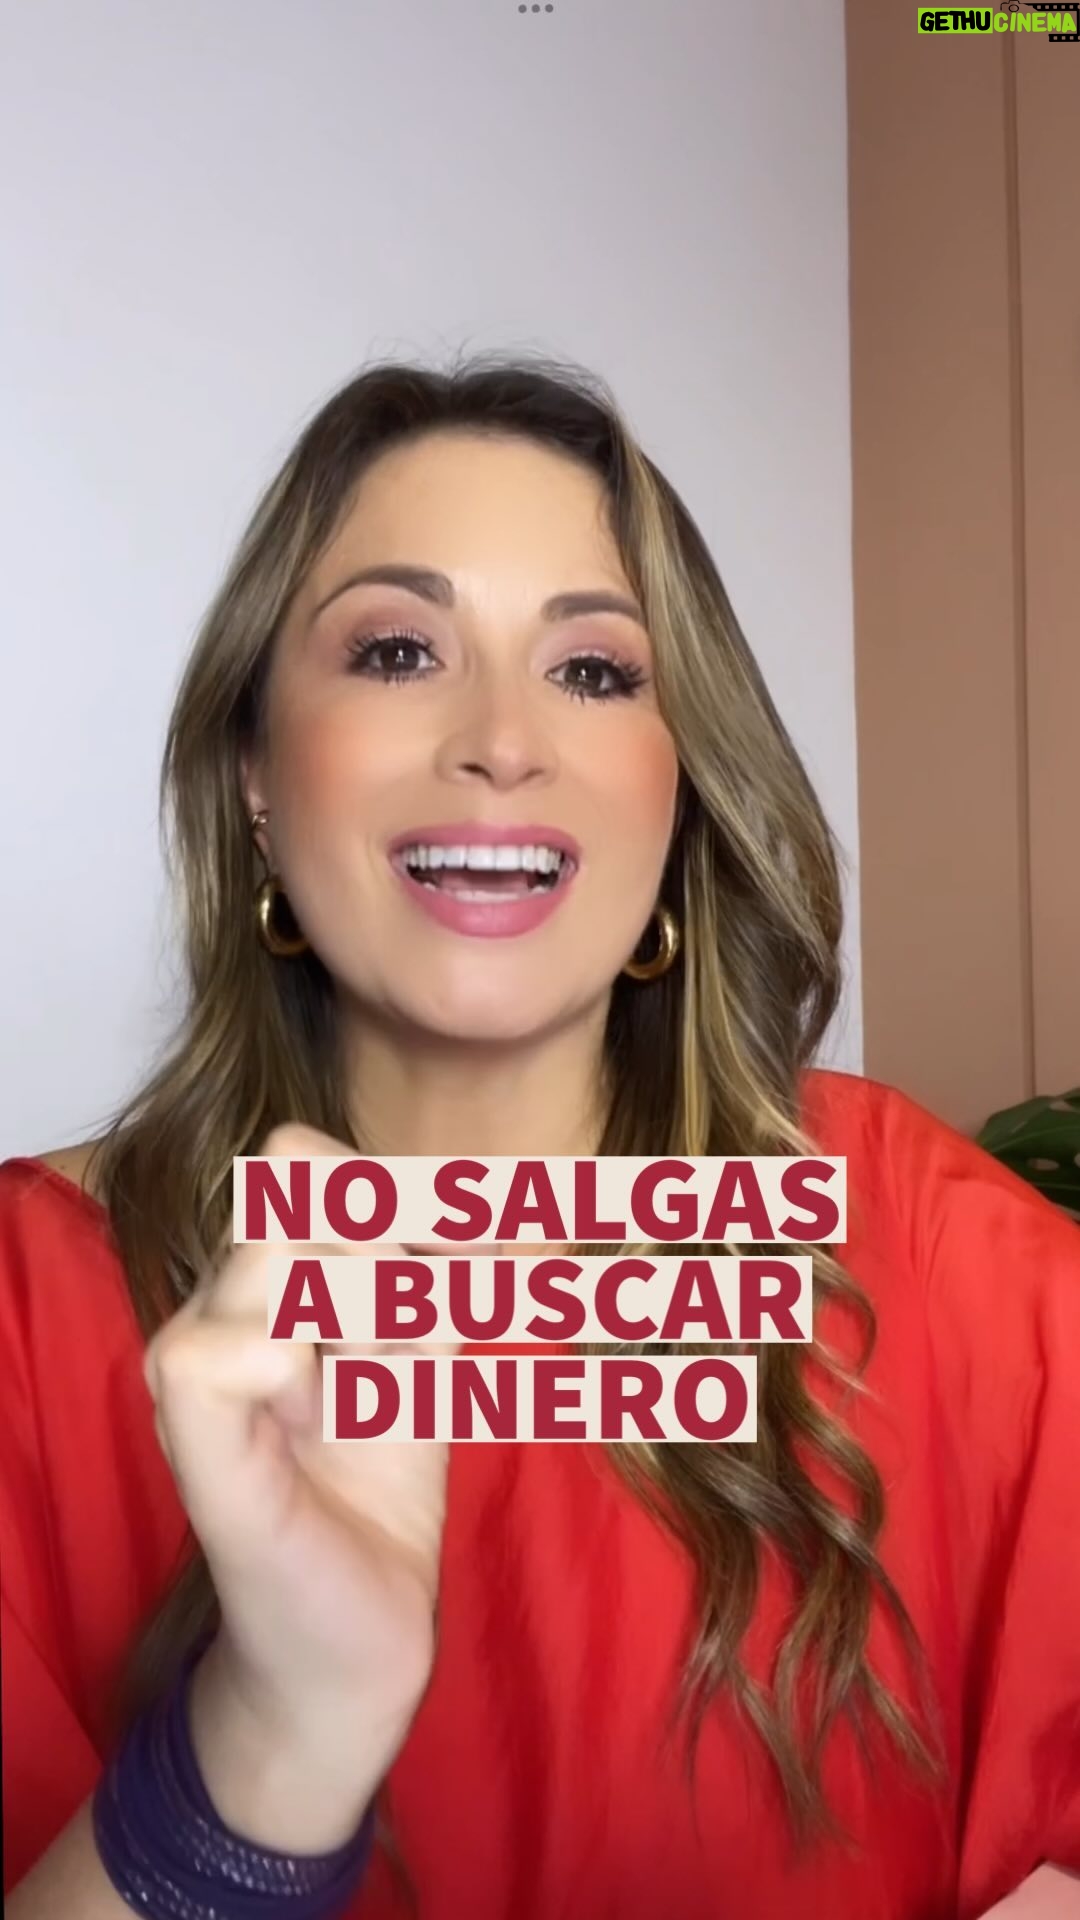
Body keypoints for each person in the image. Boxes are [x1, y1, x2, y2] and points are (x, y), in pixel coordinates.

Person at [2, 353, 1079, 1920]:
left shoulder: (942, 1257)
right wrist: (270, 1740)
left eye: (593, 672)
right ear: (253, 776)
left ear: (681, 785)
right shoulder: (28, 1320)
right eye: (396, 651)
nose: (504, 740)